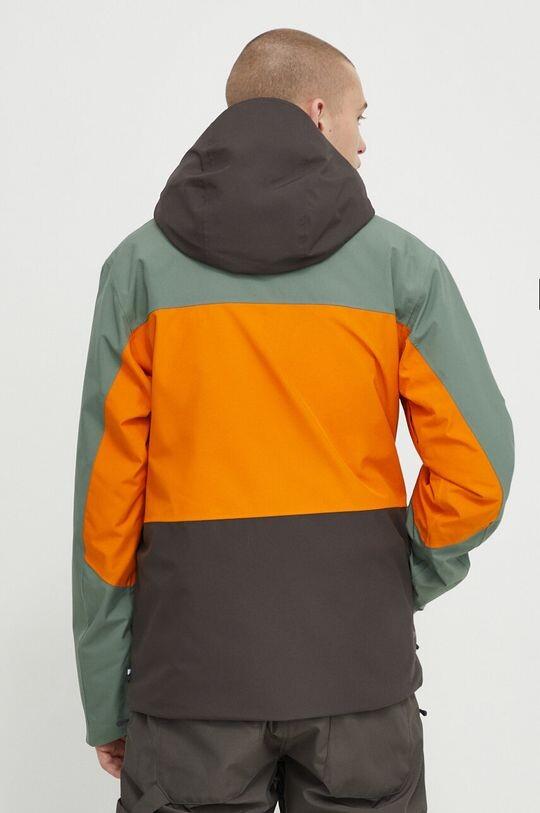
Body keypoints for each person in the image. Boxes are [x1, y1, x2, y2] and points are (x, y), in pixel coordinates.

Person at [71, 27, 514, 813]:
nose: (363, 142)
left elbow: (104, 510)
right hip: (358, 675)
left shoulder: (139, 270)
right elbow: (478, 473)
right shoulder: (401, 268)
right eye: (358, 117)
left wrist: (107, 694)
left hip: (190, 687)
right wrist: (392, 581)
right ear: (316, 114)